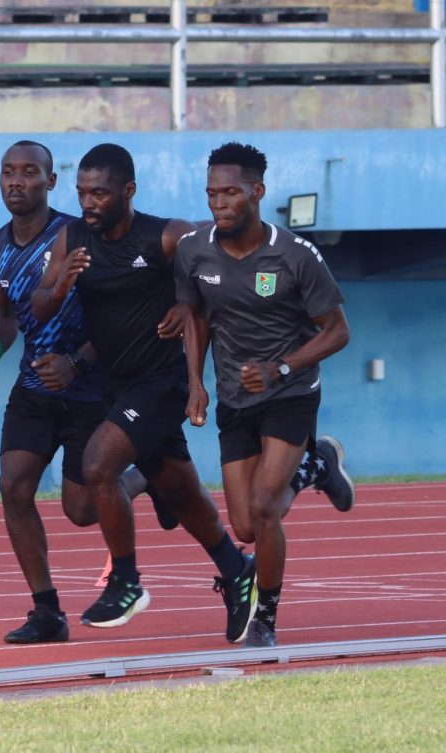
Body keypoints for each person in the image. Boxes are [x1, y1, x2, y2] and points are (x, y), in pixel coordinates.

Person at [29, 143, 261, 643]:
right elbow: (40, 306)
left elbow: (224, 265)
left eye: (99, 193)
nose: (88, 203)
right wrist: (62, 285)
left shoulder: (168, 236)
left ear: (128, 192)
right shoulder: (70, 238)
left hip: (160, 383)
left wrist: (190, 305)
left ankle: (127, 582)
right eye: (82, 193)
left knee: (98, 464)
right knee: (178, 491)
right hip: (114, 384)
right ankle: (236, 568)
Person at [0, 141, 172, 644]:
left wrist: (77, 361)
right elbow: (7, 315)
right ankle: (47, 612)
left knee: (81, 511)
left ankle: (151, 477)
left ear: (50, 182)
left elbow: (119, 318)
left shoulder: (76, 235)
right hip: (34, 387)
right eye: (8, 172)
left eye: (29, 172)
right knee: (13, 486)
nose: (17, 181)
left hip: (89, 387)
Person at [175, 142, 355, 647]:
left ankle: (266, 621)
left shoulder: (295, 255)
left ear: (257, 192)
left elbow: (338, 332)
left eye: (231, 192)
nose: (219, 203)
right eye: (212, 193)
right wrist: (196, 384)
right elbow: (196, 317)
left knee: (264, 508)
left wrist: (281, 368)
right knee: (245, 527)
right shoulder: (194, 249)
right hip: (235, 397)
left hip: (291, 391)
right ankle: (317, 466)